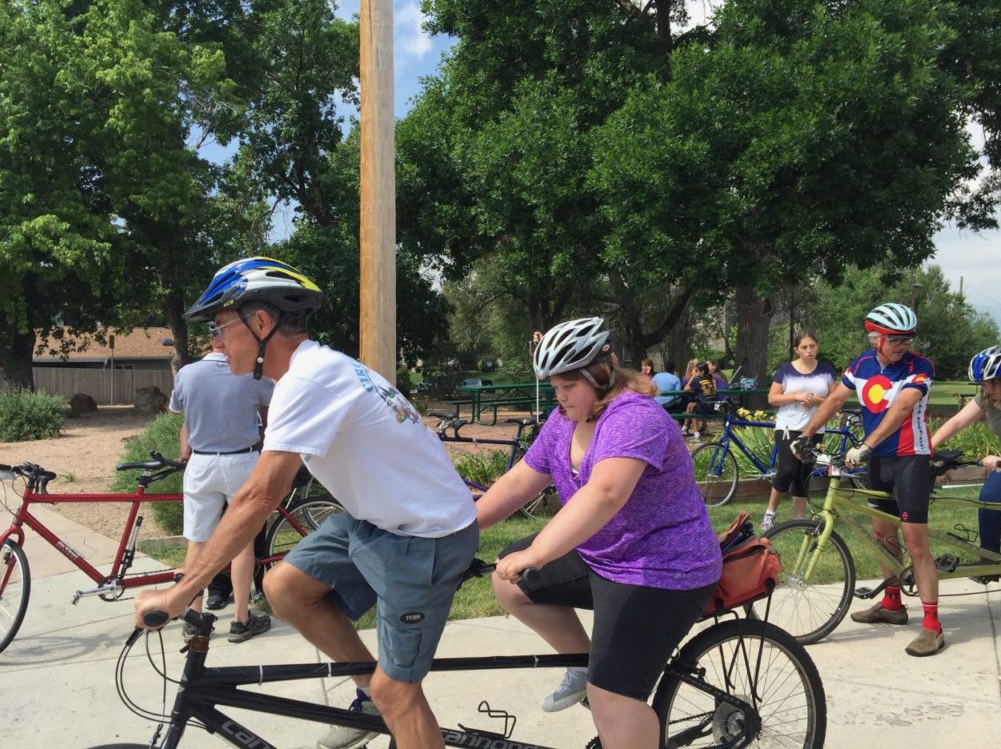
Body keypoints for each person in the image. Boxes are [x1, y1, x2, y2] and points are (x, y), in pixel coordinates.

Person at [135, 257, 479, 749]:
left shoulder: (309, 379)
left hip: (424, 538)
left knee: (398, 693)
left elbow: (258, 496)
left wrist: (179, 592)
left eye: (220, 327)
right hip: (377, 521)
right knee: (284, 588)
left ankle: (385, 696)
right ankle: (370, 694)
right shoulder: (311, 371)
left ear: (260, 324)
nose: (215, 341)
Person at [476, 317, 722, 749]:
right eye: (554, 386)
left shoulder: (634, 417)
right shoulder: (563, 420)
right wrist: (461, 528)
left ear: (602, 373)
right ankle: (585, 666)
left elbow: (605, 493)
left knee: (612, 697)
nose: (560, 396)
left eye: (568, 385)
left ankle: (606, 691)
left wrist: (538, 553)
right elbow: (520, 481)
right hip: (604, 556)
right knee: (508, 582)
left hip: (662, 569)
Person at [795, 303, 943, 657]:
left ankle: (933, 626)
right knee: (881, 534)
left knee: (915, 543)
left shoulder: (919, 366)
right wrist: (807, 433)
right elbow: (834, 399)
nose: (902, 345)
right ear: (876, 336)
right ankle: (892, 604)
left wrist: (866, 444)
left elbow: (903, 408)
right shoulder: (862, 364)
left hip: (910, 460)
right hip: (878, 462)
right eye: (894, 339)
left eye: (908, 338)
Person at [169, 329, 275, 642]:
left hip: (202, 463)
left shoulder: (187, 374)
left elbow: (184, 417)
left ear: (210, 340)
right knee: (241, 541)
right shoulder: (248, 373)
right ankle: (241, 618)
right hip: (241, 461)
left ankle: (195, 615)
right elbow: (273, 402)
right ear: (228, 340)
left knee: (198, 541)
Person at [930, 346, 1001, 556]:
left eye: (992, 383)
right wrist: (929, 445)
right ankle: (990, 559)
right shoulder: (987, 398)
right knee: (989, 498)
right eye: (983, 384)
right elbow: (957, 422)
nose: (987, 388)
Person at [760, 331, 837, 532]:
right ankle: (770, 513)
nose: (809, 350)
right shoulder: (786, 370)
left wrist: (814, 400)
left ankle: (799, 518)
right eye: (804, 347)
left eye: (812, 346)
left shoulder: (826, 371)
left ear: (817, 347)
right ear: (796, 349)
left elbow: (835, 400)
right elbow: (773, 398)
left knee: (804, 472)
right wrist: (796, 396)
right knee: (787, 469)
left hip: (814, 428)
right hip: (789, 427)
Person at [684, 362, 716, 439]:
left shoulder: (697, 380)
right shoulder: (710, 380)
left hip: (706, 407)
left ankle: (696, 434)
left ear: (702, 372)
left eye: (696, 371)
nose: (695, 372)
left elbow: (685, 389)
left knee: (692, 409)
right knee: (691, 405)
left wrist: (692, 377)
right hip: (714, 406)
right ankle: (685, 427)